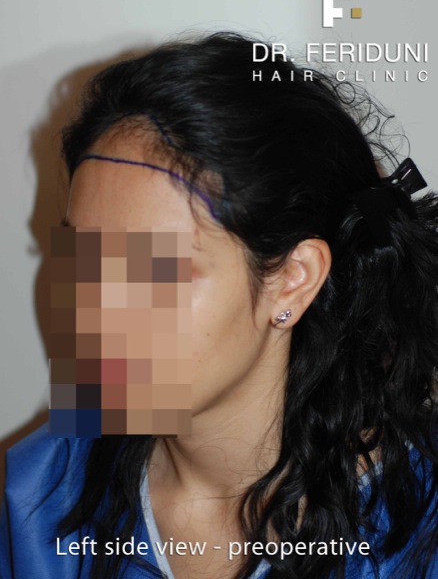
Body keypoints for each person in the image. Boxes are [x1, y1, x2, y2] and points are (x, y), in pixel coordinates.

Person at [1, 31, 437, 579]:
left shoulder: (419, 533)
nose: (91, 307)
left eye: (153, 268)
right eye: (81, 255)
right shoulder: (36, 493)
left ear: (292, 280)